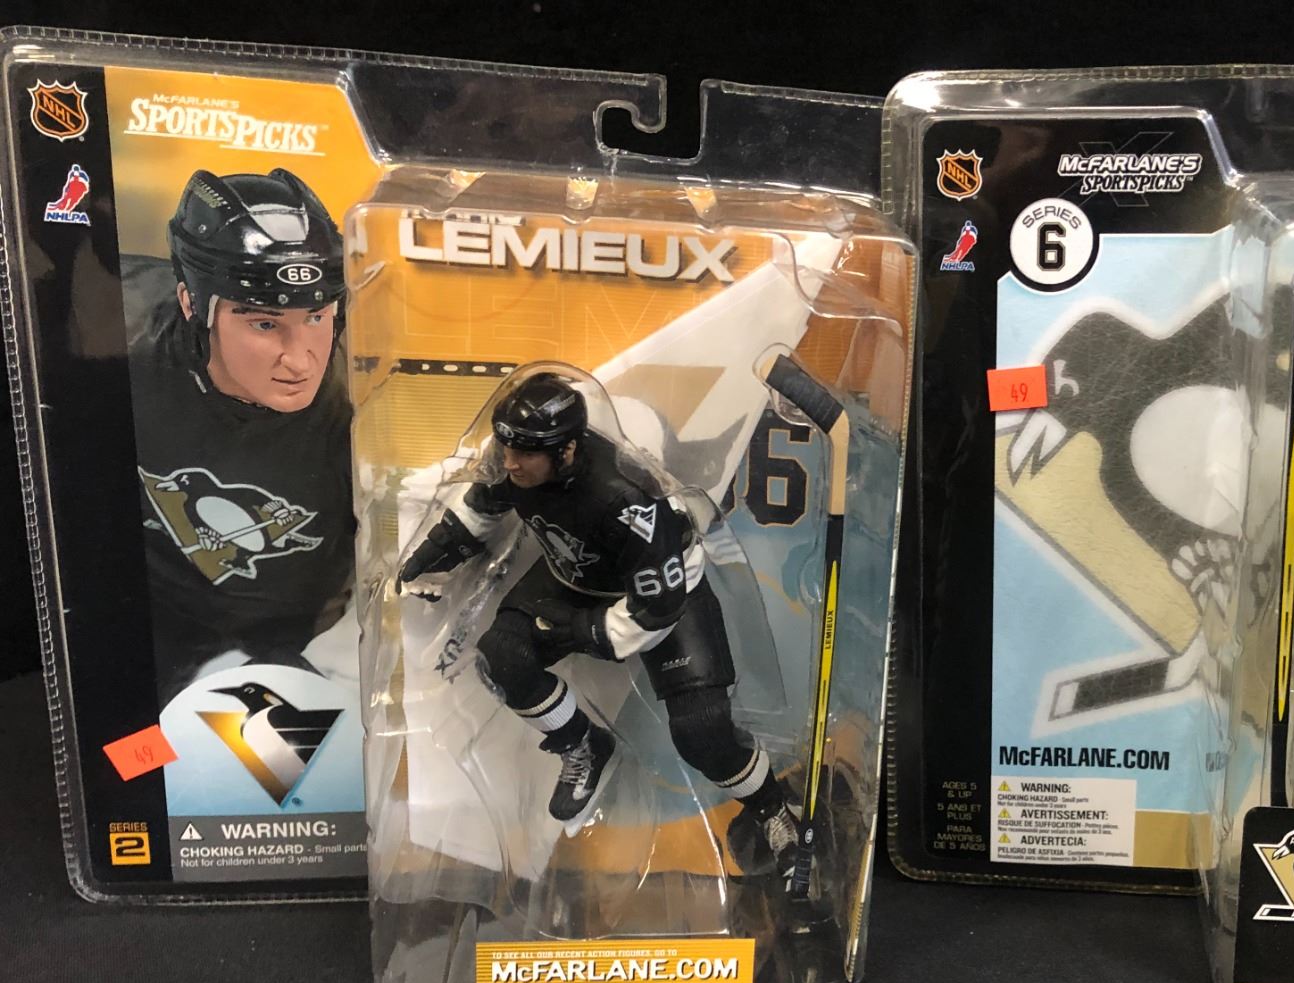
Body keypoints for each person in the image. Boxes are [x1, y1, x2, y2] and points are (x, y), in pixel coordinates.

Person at [397, 370, 802, 877]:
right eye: (507, 448)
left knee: (702, 732)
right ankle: (584, 745)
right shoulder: (516, 462)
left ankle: (773, 808)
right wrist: (434, 555)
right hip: (576, 578)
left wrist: (586, 630)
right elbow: (480, 506)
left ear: (566, 450)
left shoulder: (627, 498)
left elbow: (658, 605)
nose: (510, 461)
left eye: (524, 453)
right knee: (504, 656)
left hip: (664, 596)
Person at [126, 168, 354, 699]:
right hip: (143, 626)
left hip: (293, 649)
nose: (300, 361)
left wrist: (331, 663)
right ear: (192, 303)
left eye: (316, 317)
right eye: (265, 323)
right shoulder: (116, 332)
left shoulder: (364, 387)